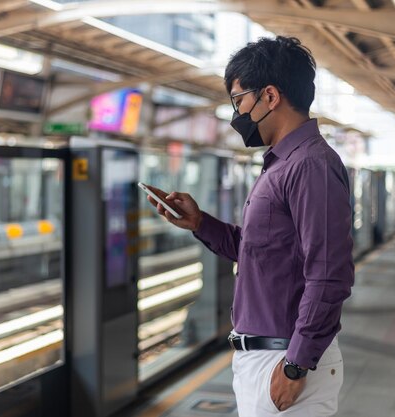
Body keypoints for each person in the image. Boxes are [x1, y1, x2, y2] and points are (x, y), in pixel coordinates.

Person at [146, 36, 354, 416]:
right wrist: (200, 223)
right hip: (266, 357)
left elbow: (330, 275)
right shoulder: (282, 164)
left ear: (270, 96)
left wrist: (296, 366)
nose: (236, 113)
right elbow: (260, 252)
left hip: (286, 360)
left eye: (239, 100)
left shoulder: (310, 166)